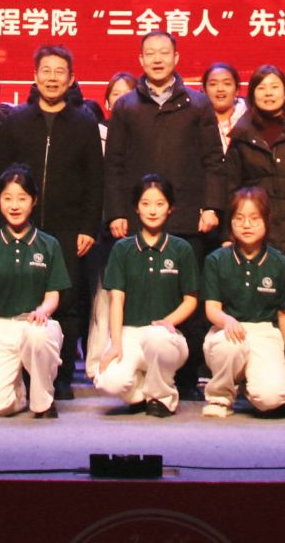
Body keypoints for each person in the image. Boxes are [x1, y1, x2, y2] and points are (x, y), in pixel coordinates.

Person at [102, 31, 222, 397]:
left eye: (164, 52)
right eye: (150, 53)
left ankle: (184, 380)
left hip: (187, 219)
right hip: (140, 219)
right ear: (140, 60)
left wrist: (211, 206)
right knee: (140, 296)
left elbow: (213, 160)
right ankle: (141, 372)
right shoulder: (126, 106)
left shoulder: (198, 104)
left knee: (189, 298)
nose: (157, 59)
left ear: (176, 58)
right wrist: (117, 212)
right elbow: (114, 165)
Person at [0, 44, 103, 401]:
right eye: (46, 71)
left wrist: (88, 227)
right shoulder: (16, 121)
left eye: (60, 72)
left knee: (67, 303)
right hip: (22, 228)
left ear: (71, 79)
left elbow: (95, 180)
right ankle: (23, 373)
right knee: (24, 298)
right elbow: (0, 174)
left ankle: (62, 375)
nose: (52, 78)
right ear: (35, 76)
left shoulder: (84, 122)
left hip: (69, 228)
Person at [0, 165, 71, 418]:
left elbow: (53, 294)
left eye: (22, 198)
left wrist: (43, 311)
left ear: (33, 201)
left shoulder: (49, 244)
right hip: (0, 328)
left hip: (35, 325)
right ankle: (19, 393)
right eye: (8, 198)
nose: (14, 206)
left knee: (38, 337)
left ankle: (43, 401)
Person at [94, 174, 199, 416]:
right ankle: (141, 393)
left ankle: (162, 397)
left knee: (156, 338)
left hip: (167, 336)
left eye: (160, 204)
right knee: (109, 380)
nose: (152, 210)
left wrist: (167, 322)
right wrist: (115, 343)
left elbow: (191, 299)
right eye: (146, 203)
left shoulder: (181, 249)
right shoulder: (122, 249)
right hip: (130, 333)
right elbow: (116, 300)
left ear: (170, 208)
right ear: (136, 207)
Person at [200, 185, 285, 417]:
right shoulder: (216, 260)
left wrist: (284, 351)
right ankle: (220, 397)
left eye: (254, 218)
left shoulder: (281, 263)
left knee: (272, 398)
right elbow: (212, 309)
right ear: (231, 222)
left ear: (266, 220)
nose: (246, 225)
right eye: (239, 218)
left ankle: (251, 386)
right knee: (228, 346)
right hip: (227, 331)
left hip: (265, 333)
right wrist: (227, 321)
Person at [221, 65, 285, 247]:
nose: (268, 93)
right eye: (261, 87)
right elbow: (230, 189)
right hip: (254, 232)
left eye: (274, 87)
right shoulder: (241, 136)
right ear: (252, 95)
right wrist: (228, 235)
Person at [201, 63, 246, 163]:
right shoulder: (195, 122)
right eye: (213, 84)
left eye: (227, 84)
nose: (220, 89)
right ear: (204, 90)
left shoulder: (250, 119)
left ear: (237, 90)